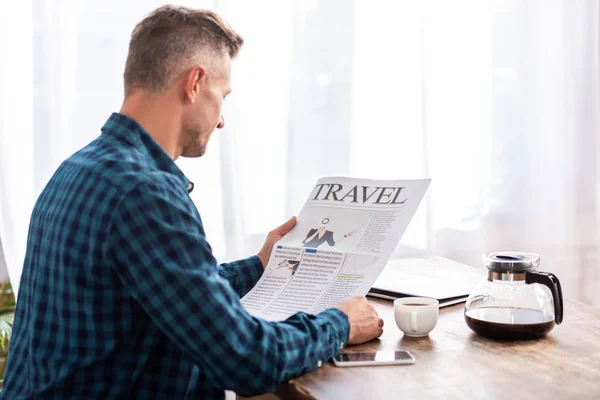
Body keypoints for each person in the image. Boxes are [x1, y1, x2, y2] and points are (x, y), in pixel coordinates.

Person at [0, 5, 383, 400]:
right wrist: (340, 325)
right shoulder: (144, 193)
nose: (221, 121)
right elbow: (247, 359)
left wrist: (260, 265)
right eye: (223, 96)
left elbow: (173, 291)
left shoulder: (80, 168)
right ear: (195, 83)